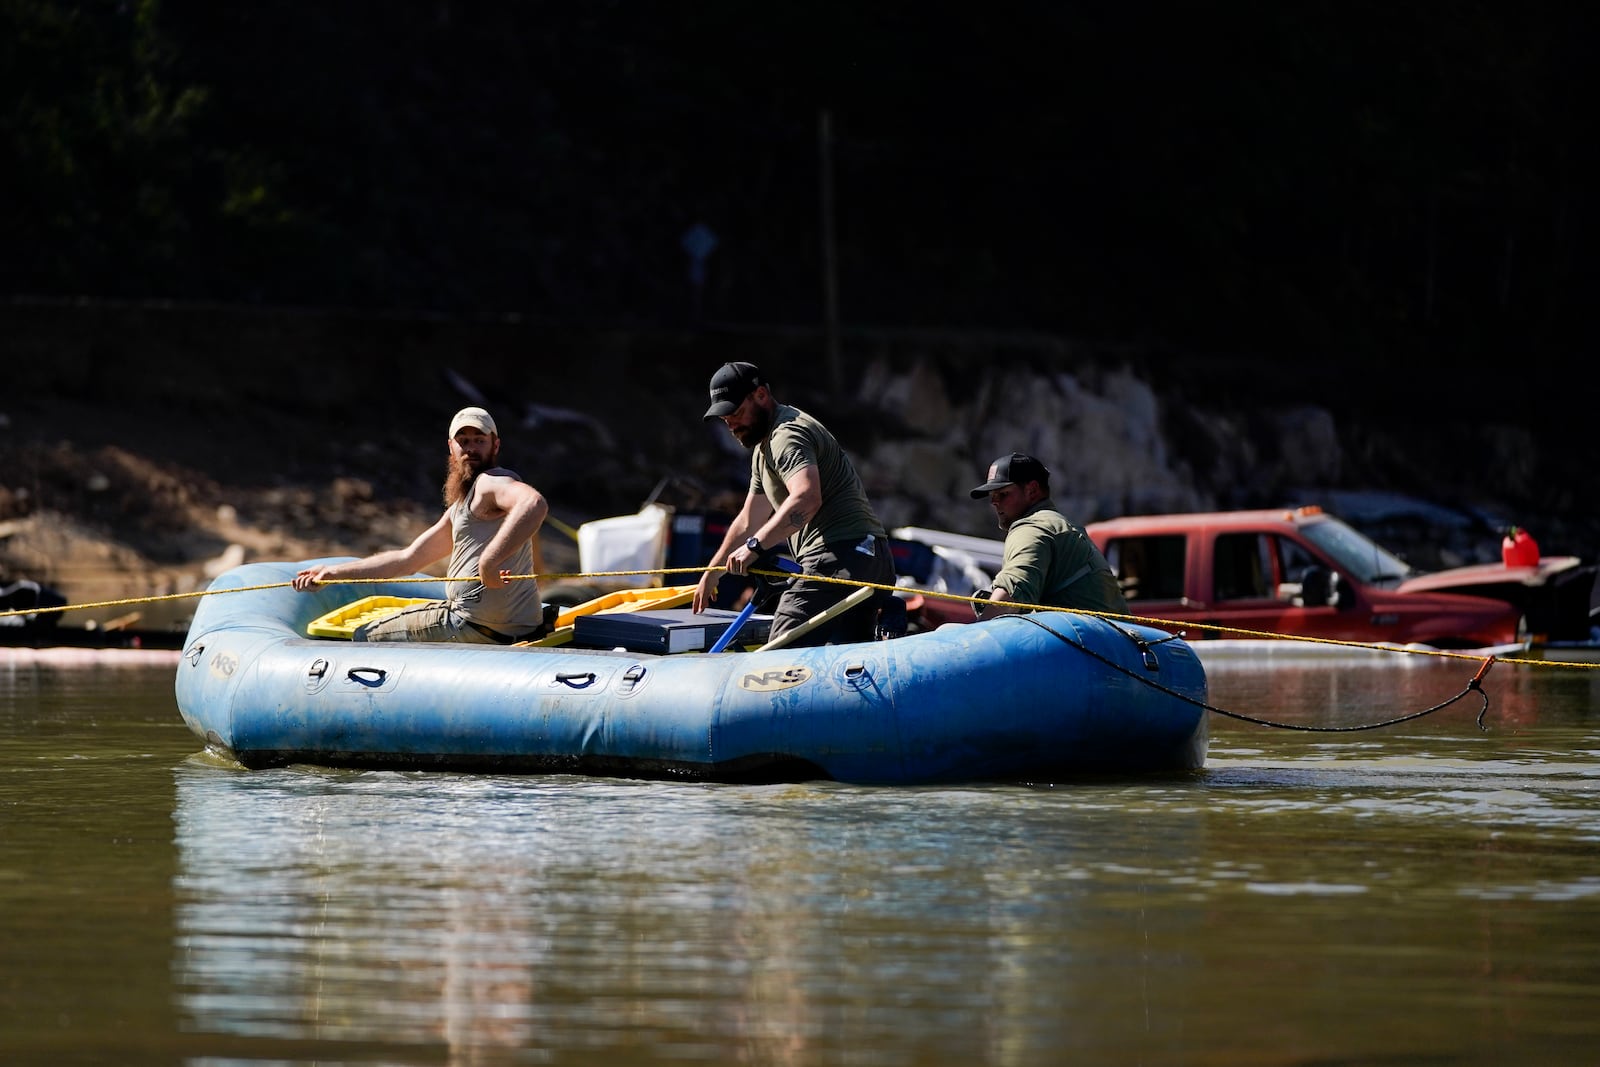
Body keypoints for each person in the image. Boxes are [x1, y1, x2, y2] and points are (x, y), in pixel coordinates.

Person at [291, 406, 551, 643]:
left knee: (362, 637)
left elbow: (533, 504)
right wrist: (332, 573)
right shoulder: (462, 507)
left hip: (472, 626)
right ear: (451, 448)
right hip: (513, 628)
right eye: (464, 441)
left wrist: (489, 562)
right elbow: (408, 559)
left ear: (495, 446)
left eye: (480, 441)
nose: (471, 448)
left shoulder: (491, 483)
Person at [694, 361, 897, 646]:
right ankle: (891, 610)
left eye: (736, 412)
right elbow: (749, 520)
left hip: (839, 557)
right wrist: (713, 573)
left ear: (761, 395)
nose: (730, 423)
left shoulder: (785, 435)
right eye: (724, 418)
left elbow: (807, 497)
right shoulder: (763, 452)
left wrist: (755, 546)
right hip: (871, 557)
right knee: (846, 666)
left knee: (778, 659)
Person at [968, 451, 1128, 619]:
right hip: (1114, 639)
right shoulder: (1057, 523)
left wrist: (973, 639)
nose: (994, 502)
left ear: (1032, 491)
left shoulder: (1033, 528)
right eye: (992, 495)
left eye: (1003, 494)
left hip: (1094, 640)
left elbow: (1008, 597)